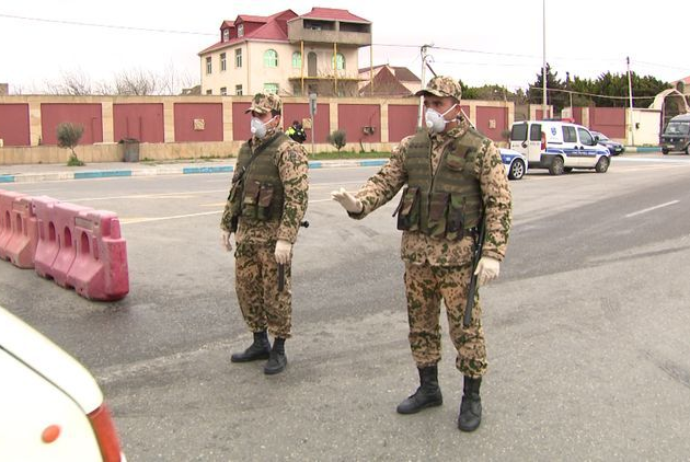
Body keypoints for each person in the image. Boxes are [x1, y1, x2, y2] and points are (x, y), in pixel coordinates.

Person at [331, 76, 512, 431]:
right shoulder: (410, 146)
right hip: (417, 260)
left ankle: (471, 396)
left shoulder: (480, 149)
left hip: (459, 262)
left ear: (457, 106)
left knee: (466, 331)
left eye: (437, 104)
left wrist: (492, 253)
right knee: (421, 327)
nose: (430, 110)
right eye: (426, 103)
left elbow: (499, 203)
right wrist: (358, 202)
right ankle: (429, 388)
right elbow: (384, 182)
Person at [220, 92, 309, 375]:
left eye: (261, 115)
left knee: (276, 294)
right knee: (247, 290)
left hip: (273, 239)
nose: (255, 120)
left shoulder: (288, 150)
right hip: (246, 236)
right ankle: (259, 342)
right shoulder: (247, 149)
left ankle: (279, 347)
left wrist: (286, 237)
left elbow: (297, 198)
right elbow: (236, 189)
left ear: (276, 119)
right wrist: (226, 224)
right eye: (253, 115)